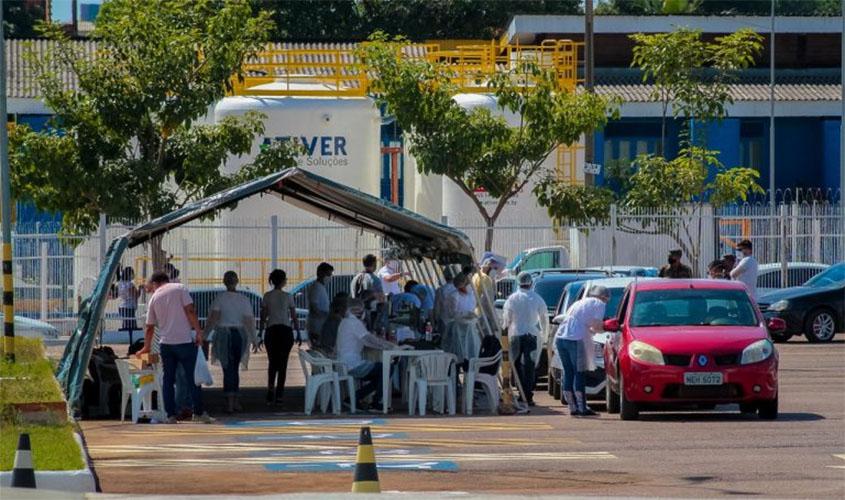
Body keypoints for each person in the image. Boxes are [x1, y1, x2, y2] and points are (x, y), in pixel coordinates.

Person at [136, 271, 214, 424]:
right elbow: (190, 310)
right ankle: (198, 413)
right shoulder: (180, 288)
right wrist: (198, 331)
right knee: (193, 379)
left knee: (168, 379)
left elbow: (149, 327)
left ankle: (170, 414)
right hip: (184, 341)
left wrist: (146, 347)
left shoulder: (154, 298)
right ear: (167, 280)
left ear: (155, 283)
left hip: (166, 344)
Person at [335, 299, 408, 409]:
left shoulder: (344, 322)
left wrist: (386, 345)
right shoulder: (354, 322)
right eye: (361, 309)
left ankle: (354, 398)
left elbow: (368, 341)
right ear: (356, 310)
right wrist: (390, 346)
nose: (363, 312)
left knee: (380, 374)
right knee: (386, 369)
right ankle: (376, 402)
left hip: (344, 363)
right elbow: (370, 340)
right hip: (352, 364)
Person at [554, 285, 610, 417]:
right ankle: (582, 407)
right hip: (576, 338)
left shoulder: (578, 302)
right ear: (603, 297)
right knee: (579, 372)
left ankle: (572, 406)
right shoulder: (599, 304)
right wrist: (606, 328)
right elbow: (596, 326)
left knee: (568, 371)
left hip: (561, 336)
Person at [206, 271, 257, 413]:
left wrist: (204, 335)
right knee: (234, 368)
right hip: (239, 335)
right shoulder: (243, 299)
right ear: (237, 281)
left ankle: (229, 402)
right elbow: (249, 321)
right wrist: (254, 339)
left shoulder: (220, 298)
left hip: (223, 334)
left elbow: (213, 319)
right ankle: (235, 401)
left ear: (224, 281)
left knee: (227, 369)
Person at [502, 272, 549, 406]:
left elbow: (506, 319)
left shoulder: (512, 298)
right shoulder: (537, 298)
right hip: (531, 335)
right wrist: (544, 336)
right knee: (530, 366)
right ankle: (528, 395)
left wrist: (505, 333)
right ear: (531, 283)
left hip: (515, 334)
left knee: (516, 365)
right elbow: (544, 319)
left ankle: (521, 392)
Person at [260, 269, 299, 406]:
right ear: (283, 281)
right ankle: (280, 395)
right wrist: (298, 333)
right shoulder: (288, 296)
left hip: (271, 330)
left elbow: (263, 316)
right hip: (285, 331)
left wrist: (260, 332)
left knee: (272, 362)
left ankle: (270, 391)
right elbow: (294, 317)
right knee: (283, 363)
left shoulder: (267, 296)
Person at [307, 262, 333, 343]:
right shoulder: (316, 287)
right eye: (328, 274)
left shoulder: (321, 287)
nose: (330, 277)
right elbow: (313, 307)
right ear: (321, 273)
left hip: (320, 325)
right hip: (316, 326)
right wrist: (326, 315)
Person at [317, 293, 349, 357]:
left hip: (328, 354)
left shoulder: (330, 321)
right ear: (343, 308)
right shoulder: (338, 322)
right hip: (334, 357)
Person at [116, 266, 140, 344]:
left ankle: (129, 343)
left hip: (122, 306)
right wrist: (140, 289)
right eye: (132, 273)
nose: (133, 275)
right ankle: (131, 344)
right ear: (129, 274)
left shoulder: (120, 283)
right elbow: (136, 295)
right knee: (131, 327)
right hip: (129, 307)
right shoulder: (129, 284)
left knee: (126, 325)